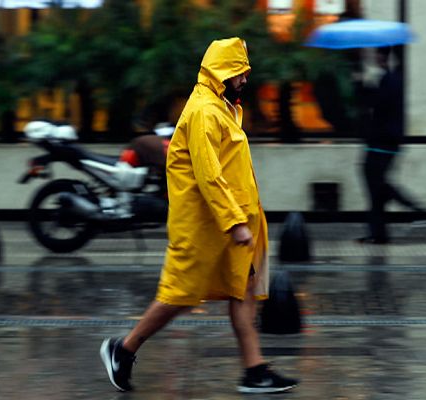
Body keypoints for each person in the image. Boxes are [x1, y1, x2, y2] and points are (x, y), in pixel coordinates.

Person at [100, 37, 298, 394]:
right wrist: (235, 222)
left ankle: (255, 370)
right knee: (178, 295)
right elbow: (209, 175)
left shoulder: (220, 107)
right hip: (207, 228)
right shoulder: (205, 111)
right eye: (240, 72)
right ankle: (123, 349)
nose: (245, 80)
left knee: (243, 291)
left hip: (228, 224)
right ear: (223, 71)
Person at [357, 46, 426, 245]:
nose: (373, 58)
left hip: (383, 142)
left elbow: (377, 105)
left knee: (377, 184)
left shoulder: (390, 80)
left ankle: (417, 210)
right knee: (376, 186)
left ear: (384, 57)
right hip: (381, 141)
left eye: (376, 54)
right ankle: (379, 233)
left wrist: (363, 85)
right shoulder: (389, 79)